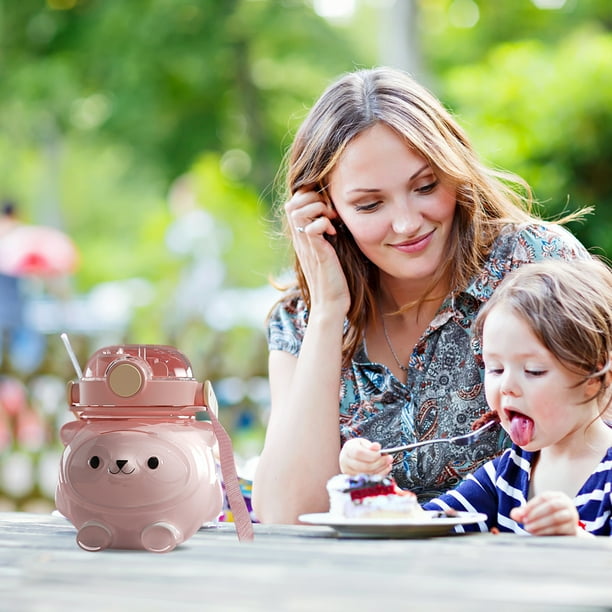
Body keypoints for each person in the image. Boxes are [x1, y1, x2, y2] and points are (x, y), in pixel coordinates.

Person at [251, 66, 591, 525]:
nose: (408, 223)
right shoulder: (300, 319)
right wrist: (329, 313)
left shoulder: (537, 262)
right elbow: (286, 517)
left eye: (425, 186)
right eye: (370, 205)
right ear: (324, 208)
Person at [340, 259, 612, 536]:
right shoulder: (505, 475)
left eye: (533, 371)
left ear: (594, 379)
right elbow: (420, 526)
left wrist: (577, 540)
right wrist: (367, 483)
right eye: (495, 369)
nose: (507, 386)